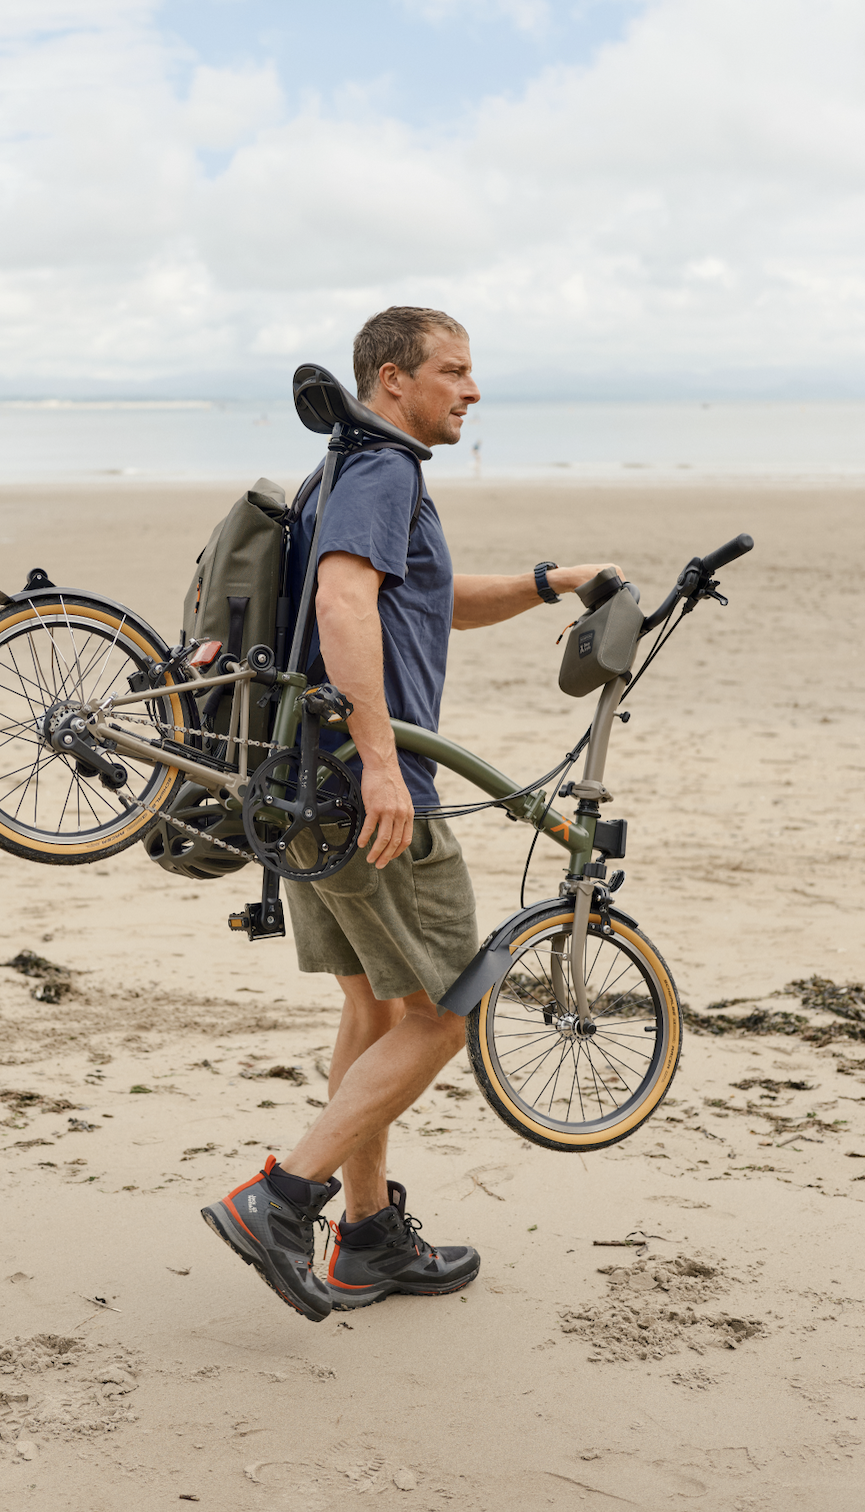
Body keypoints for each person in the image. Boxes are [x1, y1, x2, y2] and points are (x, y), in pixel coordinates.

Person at [201, 306, 621, 1322]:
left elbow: (424, 600)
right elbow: (345, 603)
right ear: (393, 379)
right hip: (363, 790)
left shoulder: (347, 468)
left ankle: (368, 1238)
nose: (470, 389)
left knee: (376, 1009)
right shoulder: (385, 469)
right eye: (452, 370)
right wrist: (385, 765)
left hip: (307, 786)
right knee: (446, 1012)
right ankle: (282, 1198)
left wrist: (548, 582)